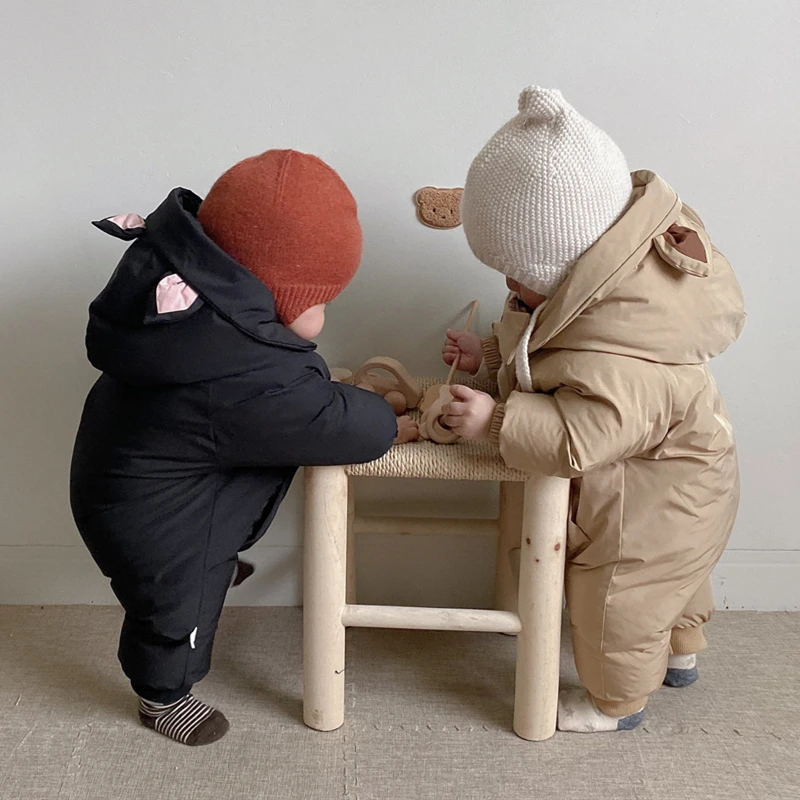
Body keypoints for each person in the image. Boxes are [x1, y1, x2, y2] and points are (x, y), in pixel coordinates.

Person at [70, 149, 418, 746]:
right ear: (276, 299)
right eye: (319, 300)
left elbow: (282, 398)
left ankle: (211, 561)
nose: (324, 313)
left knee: (204, 536)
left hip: (125, 481)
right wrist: (387, 422)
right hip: (152, 524)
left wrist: (327, 389)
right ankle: (163, 695)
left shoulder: (200, 320)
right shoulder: (239, 378)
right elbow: (332, 425)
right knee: (174, 611)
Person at [442, 86, 745, 732]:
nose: (506, 285)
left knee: (618, 601)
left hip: (652, 504)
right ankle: (682, 653)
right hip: (679, 489)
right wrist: (485, 361)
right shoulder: (585, 303)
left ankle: (617, 703)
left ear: (566, 265)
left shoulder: (625, 352)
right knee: (674, 579)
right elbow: (543, 365)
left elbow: (579, 435)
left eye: (515, 272)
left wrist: (494, 422)